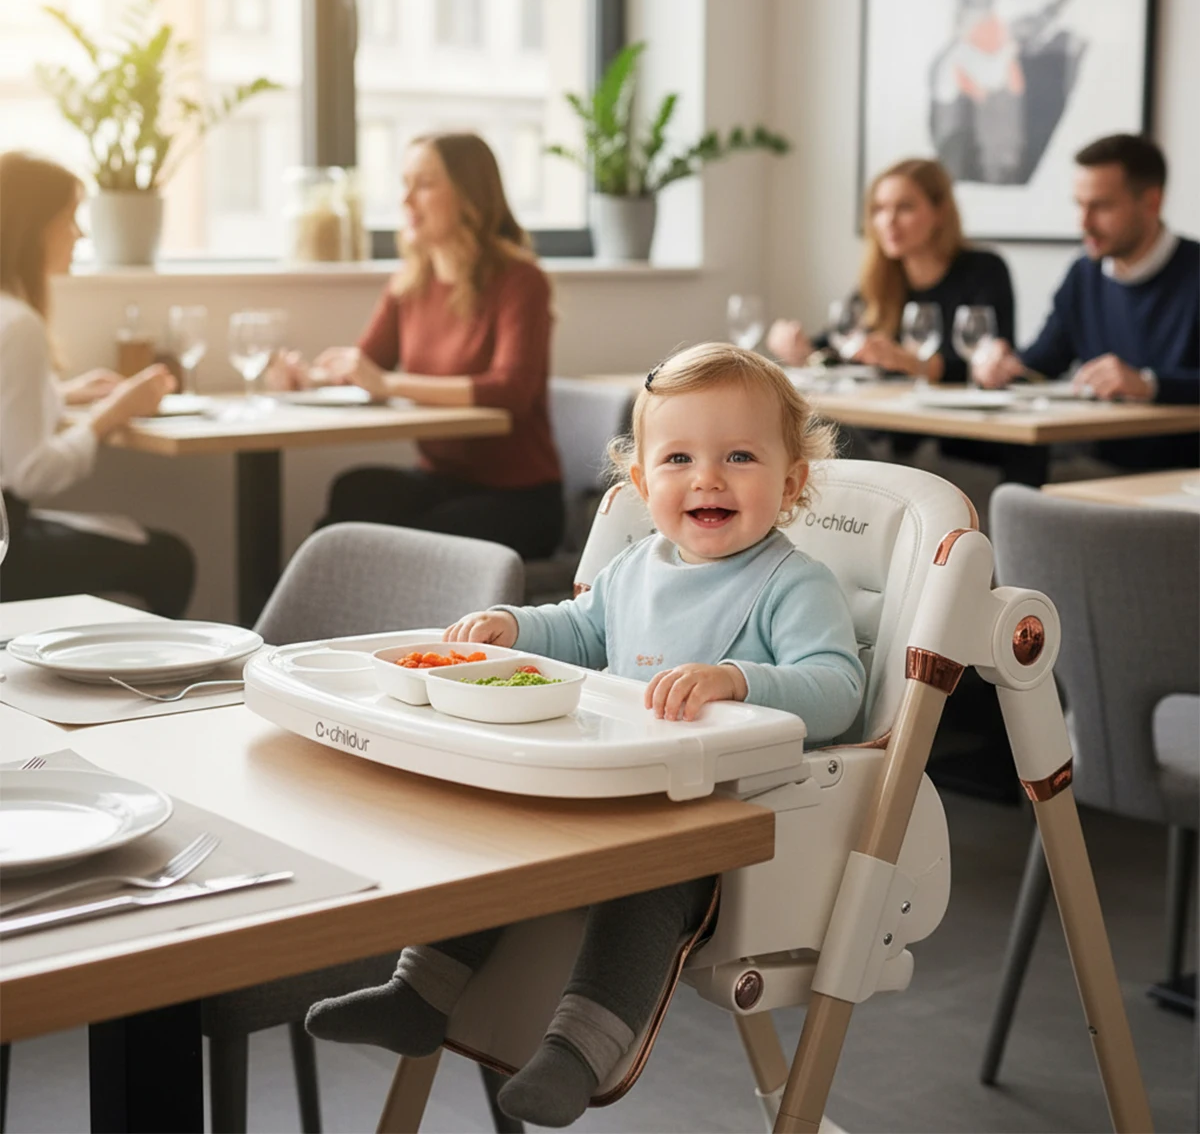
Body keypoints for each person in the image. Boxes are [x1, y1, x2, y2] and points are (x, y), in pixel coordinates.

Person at [304, 343, 866, 1127]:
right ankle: (419, 991)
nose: (707, 478)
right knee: (501, 824)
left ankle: (576, 1053)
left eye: (740, 456)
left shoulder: (792, 584)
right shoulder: (637, 566)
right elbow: (579, 630)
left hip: (714, 819)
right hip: (611, 785)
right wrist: (513, 626)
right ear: (642, 484)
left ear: (792, 481)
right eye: (679, 458)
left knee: (650, 877)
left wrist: (737, 678)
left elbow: (841, 690)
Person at [286, 132, 564, 559]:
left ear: (469, 194)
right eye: (405, 184)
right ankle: (319, 619)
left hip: (519, 497)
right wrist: (307, 379)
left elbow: (510, 391)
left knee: (416, 542)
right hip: (442, 479)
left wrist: (390, 384)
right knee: (355, 492)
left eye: (424, 184)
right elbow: (367, 368)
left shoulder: (519, 281)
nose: (406, 200)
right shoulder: (410, 282)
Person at [0, 151, 195, 617]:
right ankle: (157, 683)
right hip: (10, 547)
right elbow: (31, 474)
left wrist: (63, 395)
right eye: (70, 218)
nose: (80, 234)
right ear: (33, 228)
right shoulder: (19, 324)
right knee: (170, 559)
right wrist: (113, 415)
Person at [973, 133, 1199, 470]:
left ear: (1151, 202)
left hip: (1178, 475)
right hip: (1099, 464)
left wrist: (1149, 384)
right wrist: (1002, 367)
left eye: (1101, 206)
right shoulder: (1084, 274)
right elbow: (1042, 362)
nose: (1084, 223)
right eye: (1079, 204)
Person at [767, 157, 1014, 384]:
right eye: (879, 209)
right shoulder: (882, 276)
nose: (888, 221)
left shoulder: (984, 270)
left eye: (905, 207)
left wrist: (906, 361)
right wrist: (800, 348)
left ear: (940, 212)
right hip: (889, 420)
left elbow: (986, 365)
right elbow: (838, 343)